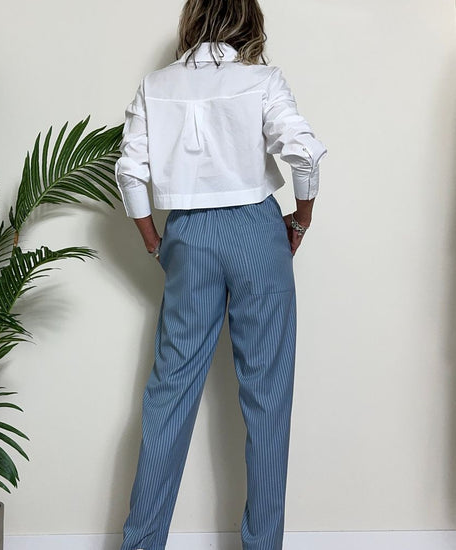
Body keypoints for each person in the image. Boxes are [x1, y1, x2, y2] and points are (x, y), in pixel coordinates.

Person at [114, 1, 327, 549]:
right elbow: (303, 155)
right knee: (268, 398)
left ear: (192, 20)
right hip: (257, 229)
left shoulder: (156, 84)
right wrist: (301, 220)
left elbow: (130, 172)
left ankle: (141, 545)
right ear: (248, 21)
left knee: (170, 393)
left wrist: (154, 240)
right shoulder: (262, 79)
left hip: (188, 234)